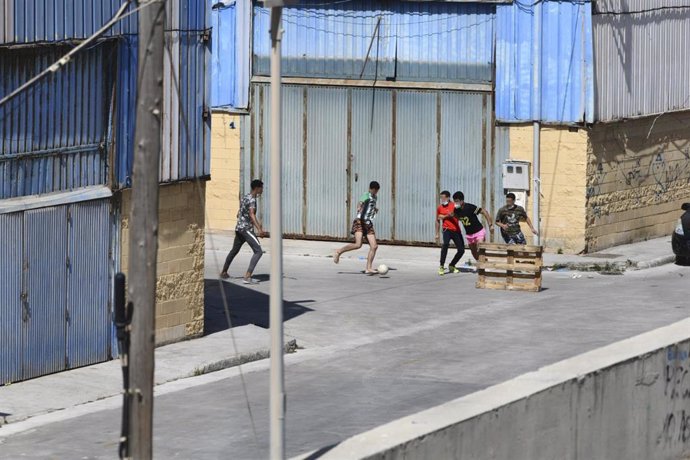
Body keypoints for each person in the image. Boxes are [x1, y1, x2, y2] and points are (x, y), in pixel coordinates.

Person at [220, 179, 267, 284]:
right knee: (258, 252)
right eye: (262, 188)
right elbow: (251, 214)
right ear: (257, 188)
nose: (263, 190)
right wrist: (259, 229)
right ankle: (247, 276)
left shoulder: (246, 197)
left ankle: (223, 272)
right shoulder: (252, 200)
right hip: (246, 229)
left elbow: (238, 213)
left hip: (239, 228)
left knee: (234, 251)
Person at [334, 181, 380, 275]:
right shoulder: (366, 195)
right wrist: (359, 207)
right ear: (372, 189)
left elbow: (370, 207)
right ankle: (339, 251)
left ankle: (368, 268)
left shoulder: (375, 197)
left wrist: (374, 210)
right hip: (359, 222)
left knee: (374, 246)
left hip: (368, 223)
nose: (376, 192)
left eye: (377, 191)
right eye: (375, 190)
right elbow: (360, 202)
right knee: (358, 244)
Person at [452, 191, 494, 261]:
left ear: (462, 201)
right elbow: (457, 217)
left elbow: (484, 211)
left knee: (480, 246)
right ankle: (482, 262)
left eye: (457, 201)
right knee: (474, 252)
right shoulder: (456, 210)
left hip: (479, 231)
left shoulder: (470, 207)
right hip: (469, 234)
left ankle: (483, 264)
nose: (455, 203)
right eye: (454, 201)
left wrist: (490, 225)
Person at [435, 190, 464, 275]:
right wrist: (436, 233)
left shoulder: (455, 205)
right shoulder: (439, 207)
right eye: (441, 198)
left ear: (448, 198)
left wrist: (451, 215)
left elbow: (460, 217)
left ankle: (452, 265)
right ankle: (441, 266)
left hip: (456, 230)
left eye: (443, 198)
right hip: (446, 229)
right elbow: (437, 220)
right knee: (446, 244)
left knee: (461, 250)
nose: (442, 200)